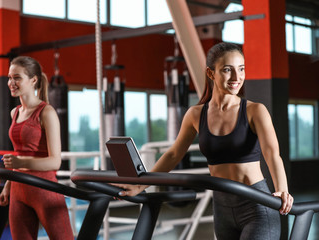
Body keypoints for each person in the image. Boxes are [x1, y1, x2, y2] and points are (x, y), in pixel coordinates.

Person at [115, 42, 293, 239]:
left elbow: (272, 154)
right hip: (222, 207)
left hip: (256, 205)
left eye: (241, 69)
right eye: (227, 70)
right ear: (211, 73)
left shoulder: (255, 111)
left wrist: (282, 190)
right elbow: (174, 154)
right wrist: (140, 185)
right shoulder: (195, 114)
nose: (237, 77)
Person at [0, 56, 73, 240]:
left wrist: (20, 162)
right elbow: (19, 153)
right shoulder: (14, 113)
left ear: (33, 80)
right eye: (9, 77)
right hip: (18, 190)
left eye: (17, 78)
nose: (11, 82)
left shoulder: (47, 112)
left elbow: (55, 161)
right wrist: (7, 185)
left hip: (44, 189)